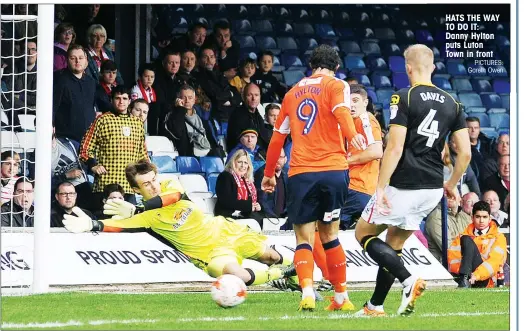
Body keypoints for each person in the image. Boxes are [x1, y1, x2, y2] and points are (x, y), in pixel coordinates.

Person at [353, 44, 471, 317]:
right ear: (432, 67)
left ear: (407, 68)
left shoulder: (403, 97)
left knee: (363, 233)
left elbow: (393, 148)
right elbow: (464, 152)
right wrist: (451, 184)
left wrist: (380, 187)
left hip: (404, 184)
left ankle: (408, 280)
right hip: (432, 188)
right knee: (394, 243)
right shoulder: (454, 103)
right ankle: (375, 306)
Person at [62, 159, 292, 287]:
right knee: (237, 275)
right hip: (209, 254)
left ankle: (303, 277)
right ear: (135, 189)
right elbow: (119, 226)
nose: (154, 186)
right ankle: (279, 277)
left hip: (224, 230)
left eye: (154, 180)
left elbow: (172, 198)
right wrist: (93, 225)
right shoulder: (145, 218)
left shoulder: (171, 184)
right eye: (146, 184)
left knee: (272, 255)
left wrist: (139, 207)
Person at [261, 44, 364, 311]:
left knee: (303, 239)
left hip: (302, 173)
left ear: (311, 65)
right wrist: (353, 136)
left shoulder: (292, 93)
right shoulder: (337, 85)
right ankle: (342, 297)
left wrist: (269, 173)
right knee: (331, 235)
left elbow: (277, 139)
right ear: (336, 66)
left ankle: (307, 291)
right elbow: (342, 112)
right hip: (333, 171)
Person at [79, 86, 148, 209]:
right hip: (105, 184)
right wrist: (93, 164)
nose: (121, 101)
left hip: (129, 186)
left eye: (124, 98)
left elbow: (142, 154)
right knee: (103, 222)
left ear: (129, 101)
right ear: (111, 100)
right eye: (117, 98)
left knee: (128, 224)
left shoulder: (138, 123)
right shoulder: (102, 120)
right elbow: (85, 147)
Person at [340, 84, 383, 230]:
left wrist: (343, 162)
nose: (351, 105)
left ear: (365, 102)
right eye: (348, 101)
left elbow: (376, 151)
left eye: (356, 100)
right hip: (357, 190)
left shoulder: (365, 119)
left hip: (358, 188)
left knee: (323, 225)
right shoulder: (352, 123)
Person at [448, 201, 507, 288]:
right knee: (466, 239)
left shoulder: (498, 237)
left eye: (485, 217)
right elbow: (453, 261)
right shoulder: (462, 237)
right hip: (464, 276)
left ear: (490, 218)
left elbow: (495, 262)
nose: (481, 221)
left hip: (486, 280)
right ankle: (465, 278)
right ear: (472, 218)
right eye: (478, 217)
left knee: (466, 239)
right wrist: (465, 273)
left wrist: (476, 275)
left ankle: (465, 279)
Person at [215, 149, 262, 223]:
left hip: (244, 216)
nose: (243, 166)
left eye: (246, 163)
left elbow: (250, 201)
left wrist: (256, 206)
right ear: (233, 163)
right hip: (227, 217)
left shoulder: (247, 180)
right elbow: (226, 200)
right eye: (240, 162)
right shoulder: (225, 176)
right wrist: (249, 206)